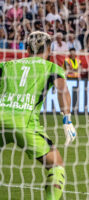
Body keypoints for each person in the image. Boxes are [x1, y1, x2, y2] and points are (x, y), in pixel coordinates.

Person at [0, 31, 76, 199]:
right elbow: (62, 90)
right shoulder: (51, 67)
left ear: (27, 48)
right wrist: (66, 119)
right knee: (56, 165)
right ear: (49, 49)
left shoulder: (8, 65)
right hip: (24, 123)